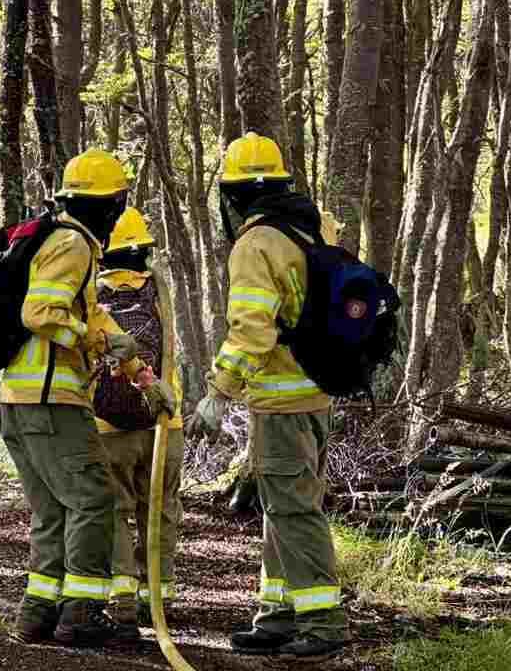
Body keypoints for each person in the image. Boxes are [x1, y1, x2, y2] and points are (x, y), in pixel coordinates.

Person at [0, 148, 174, 647]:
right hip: (52, 401)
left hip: (19, 400)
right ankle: (82, 615)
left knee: (54, 510)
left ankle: (38, 613)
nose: (119, 212)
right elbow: (42, 313)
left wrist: (144, 379)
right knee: (95, 501)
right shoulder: (73, 245)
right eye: (118, 203)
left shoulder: (65, 243)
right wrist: (91, 342)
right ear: (108, 204)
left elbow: (98, 321)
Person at [187, 132, 351, 658]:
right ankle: (278, 614)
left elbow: (251, 331)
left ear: (234, 196)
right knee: (282, 508)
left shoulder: (256, 244)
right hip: (316, 393)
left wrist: (217, 393)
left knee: (294, 511)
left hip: (282, 400)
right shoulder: (314, 227)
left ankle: (322, 623)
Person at [91, 207, 185, 633]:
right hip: (164, 420)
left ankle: (122, 598)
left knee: (114, 511)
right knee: (160, 510)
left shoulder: (90, 295)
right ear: (141, 250)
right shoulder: (161, 291)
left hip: (106, 427)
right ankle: (158, 597)